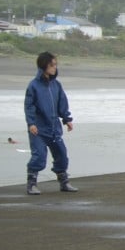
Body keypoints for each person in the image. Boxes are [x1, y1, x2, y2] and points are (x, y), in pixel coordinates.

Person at [24, 52, 78, 195]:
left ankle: (64, 182)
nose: (55, 68)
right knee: (39, 156)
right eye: (52, 65)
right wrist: (31, 123)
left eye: (55, 65)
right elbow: (29, 106)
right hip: (38, 129)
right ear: (44, 66)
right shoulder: (33, 86)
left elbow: (62, 103)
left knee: (62, 155)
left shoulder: (56, 85)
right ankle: (31, 184)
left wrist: (67, 119)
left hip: (54, 129)